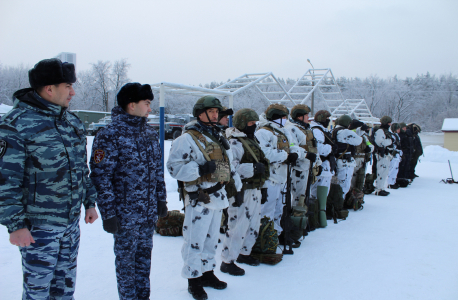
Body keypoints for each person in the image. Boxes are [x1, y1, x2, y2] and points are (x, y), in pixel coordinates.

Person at [0, 58, 98, 299]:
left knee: (65, 289)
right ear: (49, 88)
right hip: (38, 227)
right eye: (68, 86)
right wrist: (16, 225)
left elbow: (81, 169)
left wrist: (89, 202)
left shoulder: (71, 123)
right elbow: (5, 181)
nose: (73, 92)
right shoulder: (16, 125)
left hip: (70, 225)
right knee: (38, 292)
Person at [90, 83, 167, 300]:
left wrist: (161, 199)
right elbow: (100, 176)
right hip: (125, 216)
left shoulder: (150, 134)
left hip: (147, 214)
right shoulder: (109, 135)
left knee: (144, 263)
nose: (150, 109)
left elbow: (157, 170)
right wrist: (109, 213)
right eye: (147, 103)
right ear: (131, 105)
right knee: (126, 267)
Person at [167, 96, 242, 300]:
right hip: (199, 199)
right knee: (194, 241)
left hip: (218, 196)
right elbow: (174, 168)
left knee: (210, 241)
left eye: (217, 111)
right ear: (200, 113)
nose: (216, 115)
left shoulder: (217, 135)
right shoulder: (187, 138)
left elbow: (229, 163)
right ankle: (193, 280)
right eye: (211, 111)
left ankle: (208, 273)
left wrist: (236, 185)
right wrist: (199, 169)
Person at [220, 108, 270, 276]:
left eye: (255, 123)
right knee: (237, 226)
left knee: (253, 224)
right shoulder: (234, 142)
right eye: (250, 123)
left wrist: (263, 189)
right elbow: (230, 168)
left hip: (254, 189)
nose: (254, 126)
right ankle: (227, 260)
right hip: (241, 191)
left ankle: (244, 253)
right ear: (242, 124)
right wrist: (253, 168)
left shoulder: (251, 140)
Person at [255, 104, 302, 239]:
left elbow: (293, 145)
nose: (285, 119)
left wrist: (295, 154)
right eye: (282, 116)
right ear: (275, 117)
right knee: (266, 211)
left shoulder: (284, 131)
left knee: (279, 210)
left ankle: (275, 237)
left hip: (283, 177)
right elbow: (266, 154)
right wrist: (286, 156)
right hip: (271, 178)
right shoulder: (263, 132)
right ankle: (263, 239)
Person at [285, 104, 318, 207]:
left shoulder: (306, 129)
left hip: (307, 167)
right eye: (306, 115)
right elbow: (292, 147)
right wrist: (306, 155)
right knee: (298, 196)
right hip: (297, 168)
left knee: (304, 195)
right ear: (299, 117)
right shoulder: (292, 129)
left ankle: (302, 217)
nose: (308, 117)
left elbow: (313, 147)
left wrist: (318, 163)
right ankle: (296, 217)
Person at [330, 115, 363, 198]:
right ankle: (340, 204)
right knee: (344, 185)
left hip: (337, 160)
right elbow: (358, 141)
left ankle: (336, 203)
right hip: (345, 162)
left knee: (336, 183)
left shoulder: (333, 131)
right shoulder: (345, 132)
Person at [310, 110, 335, 199]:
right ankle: (318, 211)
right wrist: (330, 148)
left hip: (324, 165)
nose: (328, 120)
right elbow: (319, 148)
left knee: (322, 193)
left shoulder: (321, 129)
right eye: (327, 118)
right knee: (319, 193)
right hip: (321, 165)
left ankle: (320, 210)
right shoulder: (317, 130)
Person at [373, 116, 393, 196]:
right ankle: (378, 189)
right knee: (381, 172)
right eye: (388, 123)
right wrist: (390, 141)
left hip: (386, 155)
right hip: (381, 155)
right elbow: (380, 143)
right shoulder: (380, 131)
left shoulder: (386, 131)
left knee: (384, 172)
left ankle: (381, 188)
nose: (389, 125)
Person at [388, 123, 402, 189]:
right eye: (398, 129)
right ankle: (389, 183)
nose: (399, 130)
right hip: (393, 155)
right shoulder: (392, 136)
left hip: (397, 154)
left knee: (395, 169)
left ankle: (393, 182)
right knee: (391, 169)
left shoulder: (397, 136)